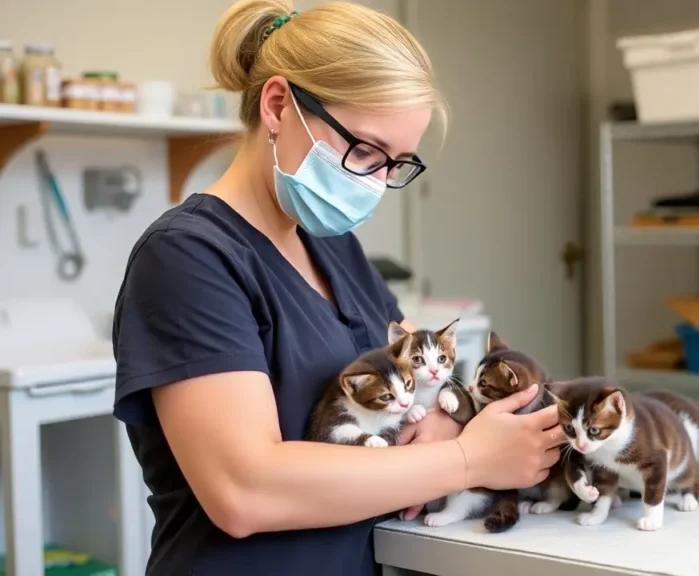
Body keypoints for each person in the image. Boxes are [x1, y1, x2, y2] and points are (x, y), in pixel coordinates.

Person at [111, 1, 563, 574]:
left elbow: (417, 394)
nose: (376, 182)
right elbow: (246, 490)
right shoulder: (187, 257)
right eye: (366, 150)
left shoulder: (334, 248)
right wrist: (469, 460)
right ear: (278, 105)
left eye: (396, 163)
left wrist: (445, 424)